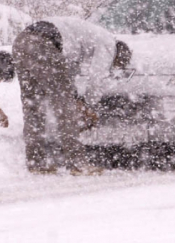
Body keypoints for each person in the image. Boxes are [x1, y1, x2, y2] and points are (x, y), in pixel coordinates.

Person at [12, 17, 131, 175]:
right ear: (118, 56)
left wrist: (78, 98)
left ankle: (36, 162)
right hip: (44, 45)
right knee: (66, 111)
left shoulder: (85, 38)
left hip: (22, 42)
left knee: (33, 107)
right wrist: (88, 105)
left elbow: (67, 72)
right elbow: (97, 77)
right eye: (114, 66)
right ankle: (78, 164)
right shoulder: (108, 43)